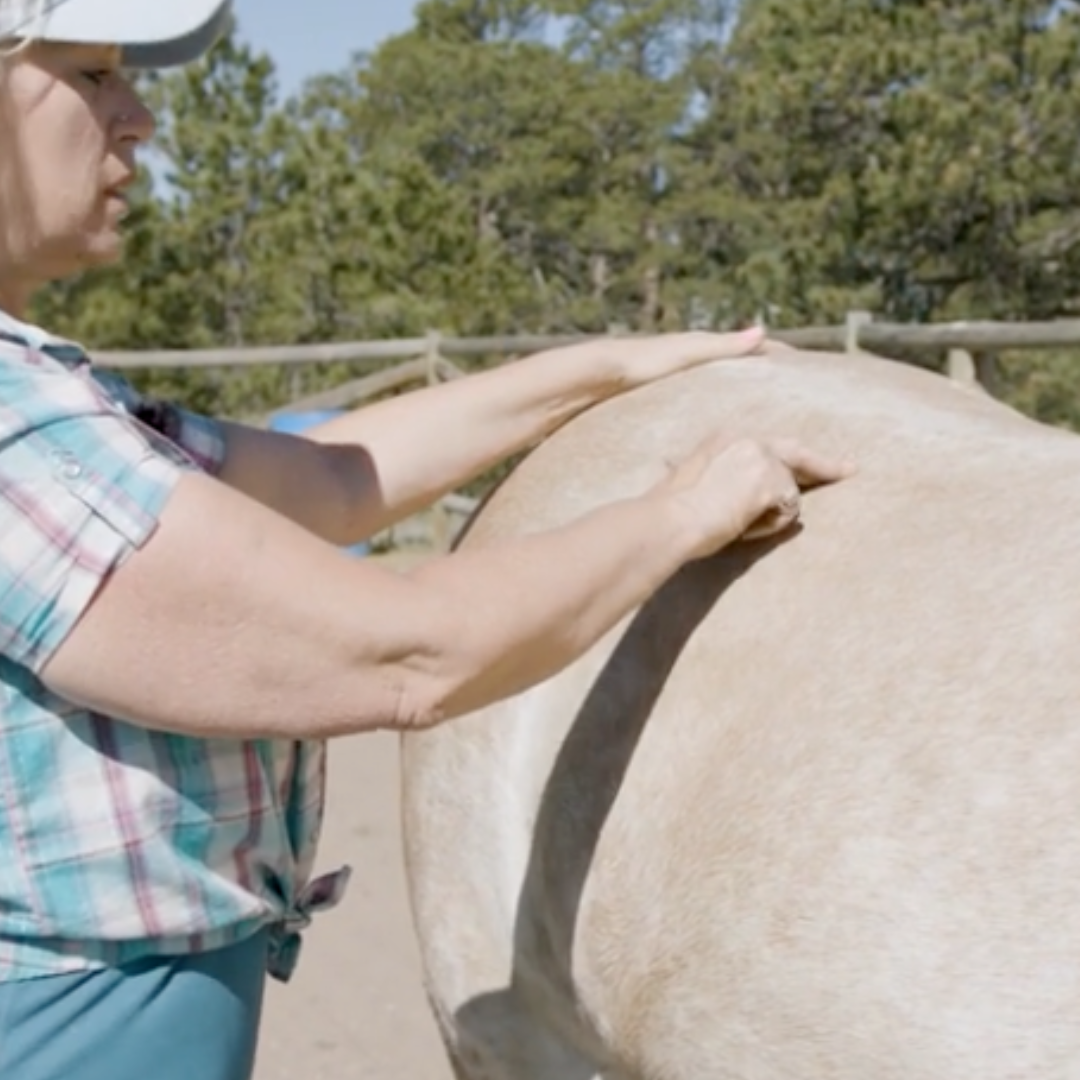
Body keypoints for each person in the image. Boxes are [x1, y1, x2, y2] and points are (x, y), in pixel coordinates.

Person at [0, 1, 855, 1077]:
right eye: (89, 76)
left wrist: (606, 369)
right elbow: (401, 652)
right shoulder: (17, 435)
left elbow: (323, 484)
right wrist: (683, 512)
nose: (140, 120)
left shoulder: (53, 396)